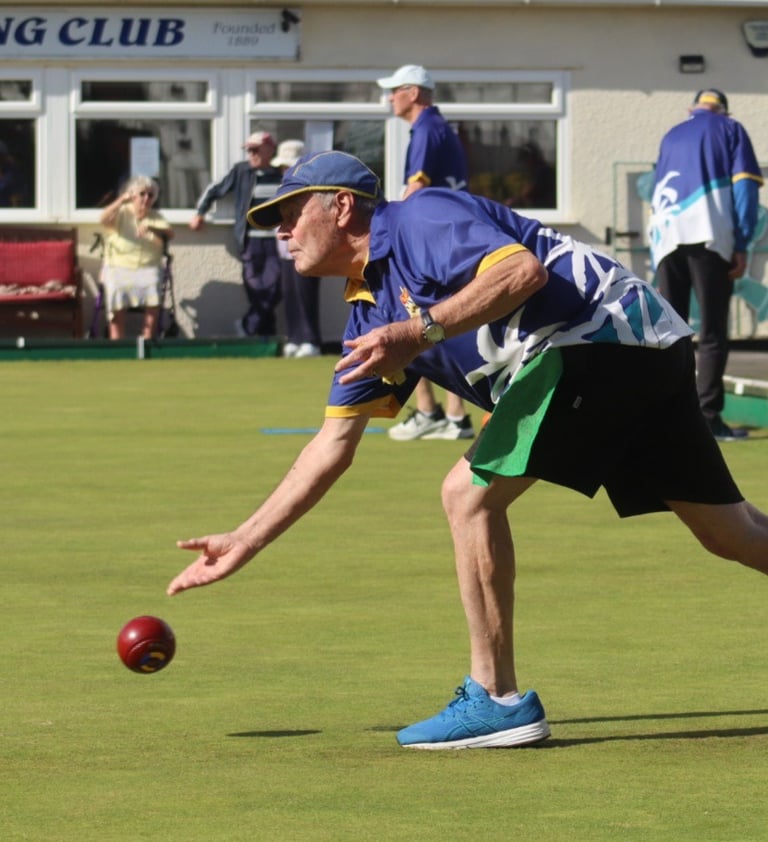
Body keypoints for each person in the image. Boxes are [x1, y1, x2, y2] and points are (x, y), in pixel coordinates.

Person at [167, 151, 768, 751]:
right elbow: (332, 445)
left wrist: (417, 330)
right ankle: (497, 699)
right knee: (731, 535)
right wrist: (246, 538)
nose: (281, 230)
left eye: (291, 212)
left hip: (599, 337)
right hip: (643, 345)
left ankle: (497, 699)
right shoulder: (363, 313)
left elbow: (521, 274)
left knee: (467, 496)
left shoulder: (419, 219)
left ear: (342, 206)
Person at [649, 88, 764, 442]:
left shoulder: (671, 135)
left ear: (692, 108)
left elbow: (657, 190)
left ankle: (668, 419)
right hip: (710, 235)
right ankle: (708, 419)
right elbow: (744, 188)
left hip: (666, 239)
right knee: (713, 332)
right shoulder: (730, 129)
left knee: (672, 333)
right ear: (724, 110)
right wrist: (742, 242)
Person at [377, 64, 474, 442]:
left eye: (394, 90)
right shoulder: (436, 127)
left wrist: (390, 226)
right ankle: (451, 414)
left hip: (435, 238)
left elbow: (416, 188)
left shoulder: (427, 129)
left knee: (413, 318)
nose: (389, 97)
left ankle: (432, 412)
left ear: (413, 93)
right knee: (444, 323)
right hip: (446, 234)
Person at [190, 131, 282, 338]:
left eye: (255, 150)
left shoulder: (281, 174)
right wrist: (200, 213)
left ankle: (248, 326)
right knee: (255, 288)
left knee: (275, 288)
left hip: (276, 242)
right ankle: (266, 334)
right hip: (250, 241)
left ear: (270, 150)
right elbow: (215, 189)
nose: (251, 154)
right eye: (248, 150)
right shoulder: (242, 172)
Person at [99, 175, 173, 340]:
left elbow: (168, 235)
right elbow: (103, 219)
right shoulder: (123, 213)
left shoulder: (156, 217)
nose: (146, 198)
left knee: (153, 287)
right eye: (142, 194)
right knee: (116, 289)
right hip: (119, 265)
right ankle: (116, 341)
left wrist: (150, 231)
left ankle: (147, 340)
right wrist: (121, 200)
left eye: (150, 195)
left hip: (148, 267)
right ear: (133, 195)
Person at [271, 139, 322, 358]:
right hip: (285, 250)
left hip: (306, 250)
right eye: (283, 166)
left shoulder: (310, 188)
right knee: (290, 294)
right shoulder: (283, 186)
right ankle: (294, 337)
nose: (285, 169)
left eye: (288, 165)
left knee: (305, 295)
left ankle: (311, 340)